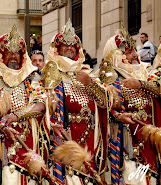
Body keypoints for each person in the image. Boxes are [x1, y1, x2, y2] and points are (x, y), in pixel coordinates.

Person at [0, 24, 52, 184]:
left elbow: (41, 104)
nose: (14, 56)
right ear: (2, 55)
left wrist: (16, 115)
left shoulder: (32, 77)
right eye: (9, 52)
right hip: (3, 144)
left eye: (17, 53)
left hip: (29, 141)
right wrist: (1, 127)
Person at [45, 19, 108, 185]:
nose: (69, 48)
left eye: (73, 45)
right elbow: (44, 107)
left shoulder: (87, 74)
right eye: (65, 44)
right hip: (65, 138)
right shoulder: (50, 75)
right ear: (57, 49)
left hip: (88, 138)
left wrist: (89, 84)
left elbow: (103, 103)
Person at [99, 25, 160, 185]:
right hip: (127, 146)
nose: (134, 55)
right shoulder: (109, 82)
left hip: (151, 144)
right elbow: (103, 108)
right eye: (128, 52)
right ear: (116, 57)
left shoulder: (148, 74)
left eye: (134, 51)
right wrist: (118, 116)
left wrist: (141, 84)